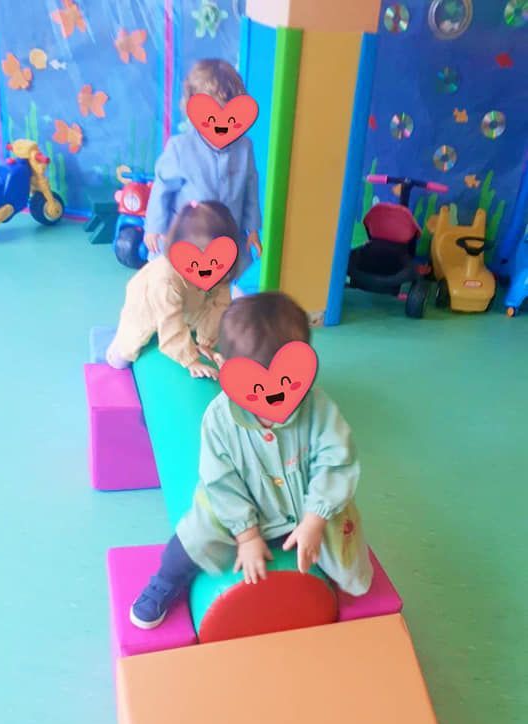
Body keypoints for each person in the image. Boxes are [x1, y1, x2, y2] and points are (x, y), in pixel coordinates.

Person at [130, 291, 373, 629]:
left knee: (345, 544)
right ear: (222, 366)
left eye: (287, 383)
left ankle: (335, 576)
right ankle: (164, 581)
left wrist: (315, 519)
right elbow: (221, 481)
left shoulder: (319, 408)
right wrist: (246, 535)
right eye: (256, 388)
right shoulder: (218, 420)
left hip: (306, 504)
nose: (273, 398)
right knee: (194, 536)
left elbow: (337, 461)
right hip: (238, 508)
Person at [143, 58, 262, 276]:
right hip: (188, 237)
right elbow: (162, 188)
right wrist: (154, 227)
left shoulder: (244, 148)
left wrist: (252, 228)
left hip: (228, 236)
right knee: (178, 280)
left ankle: (218, 305)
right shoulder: (181, 148)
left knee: (222, 281)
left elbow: (250, 190)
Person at [106, 201, 239, 378]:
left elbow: (220, 304)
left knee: (200, 311)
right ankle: (114, 350)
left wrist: (206, 342)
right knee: (123, 356)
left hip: (190, 300)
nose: (209, 270)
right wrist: (190, 360)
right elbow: (170, 321)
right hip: (148, 306)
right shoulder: (164, 280)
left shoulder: (221, 270)